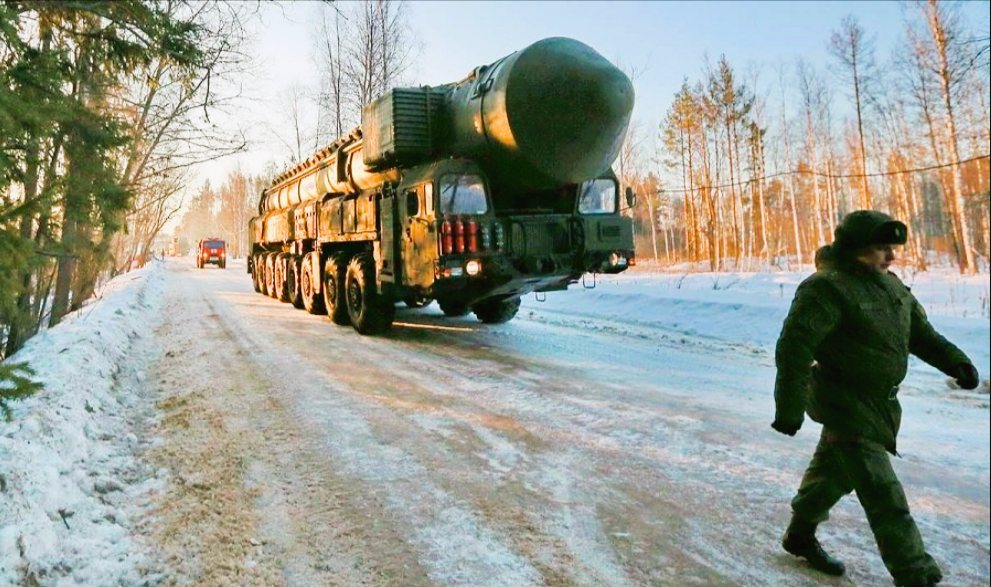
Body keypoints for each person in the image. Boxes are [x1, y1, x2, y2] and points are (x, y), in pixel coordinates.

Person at [771, 210, 981, 587]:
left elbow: (921, 334)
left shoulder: (891, 286)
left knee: (832, 476)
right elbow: (795, 349)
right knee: (883, 492)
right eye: (882, 248)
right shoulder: (826, 288)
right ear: (855, 248)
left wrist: (956, 362)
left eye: (892, 248)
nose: (891, 256)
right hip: (845, 403)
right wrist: (789, 408)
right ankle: (914, 572)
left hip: (880, 406)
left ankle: (800, 534)